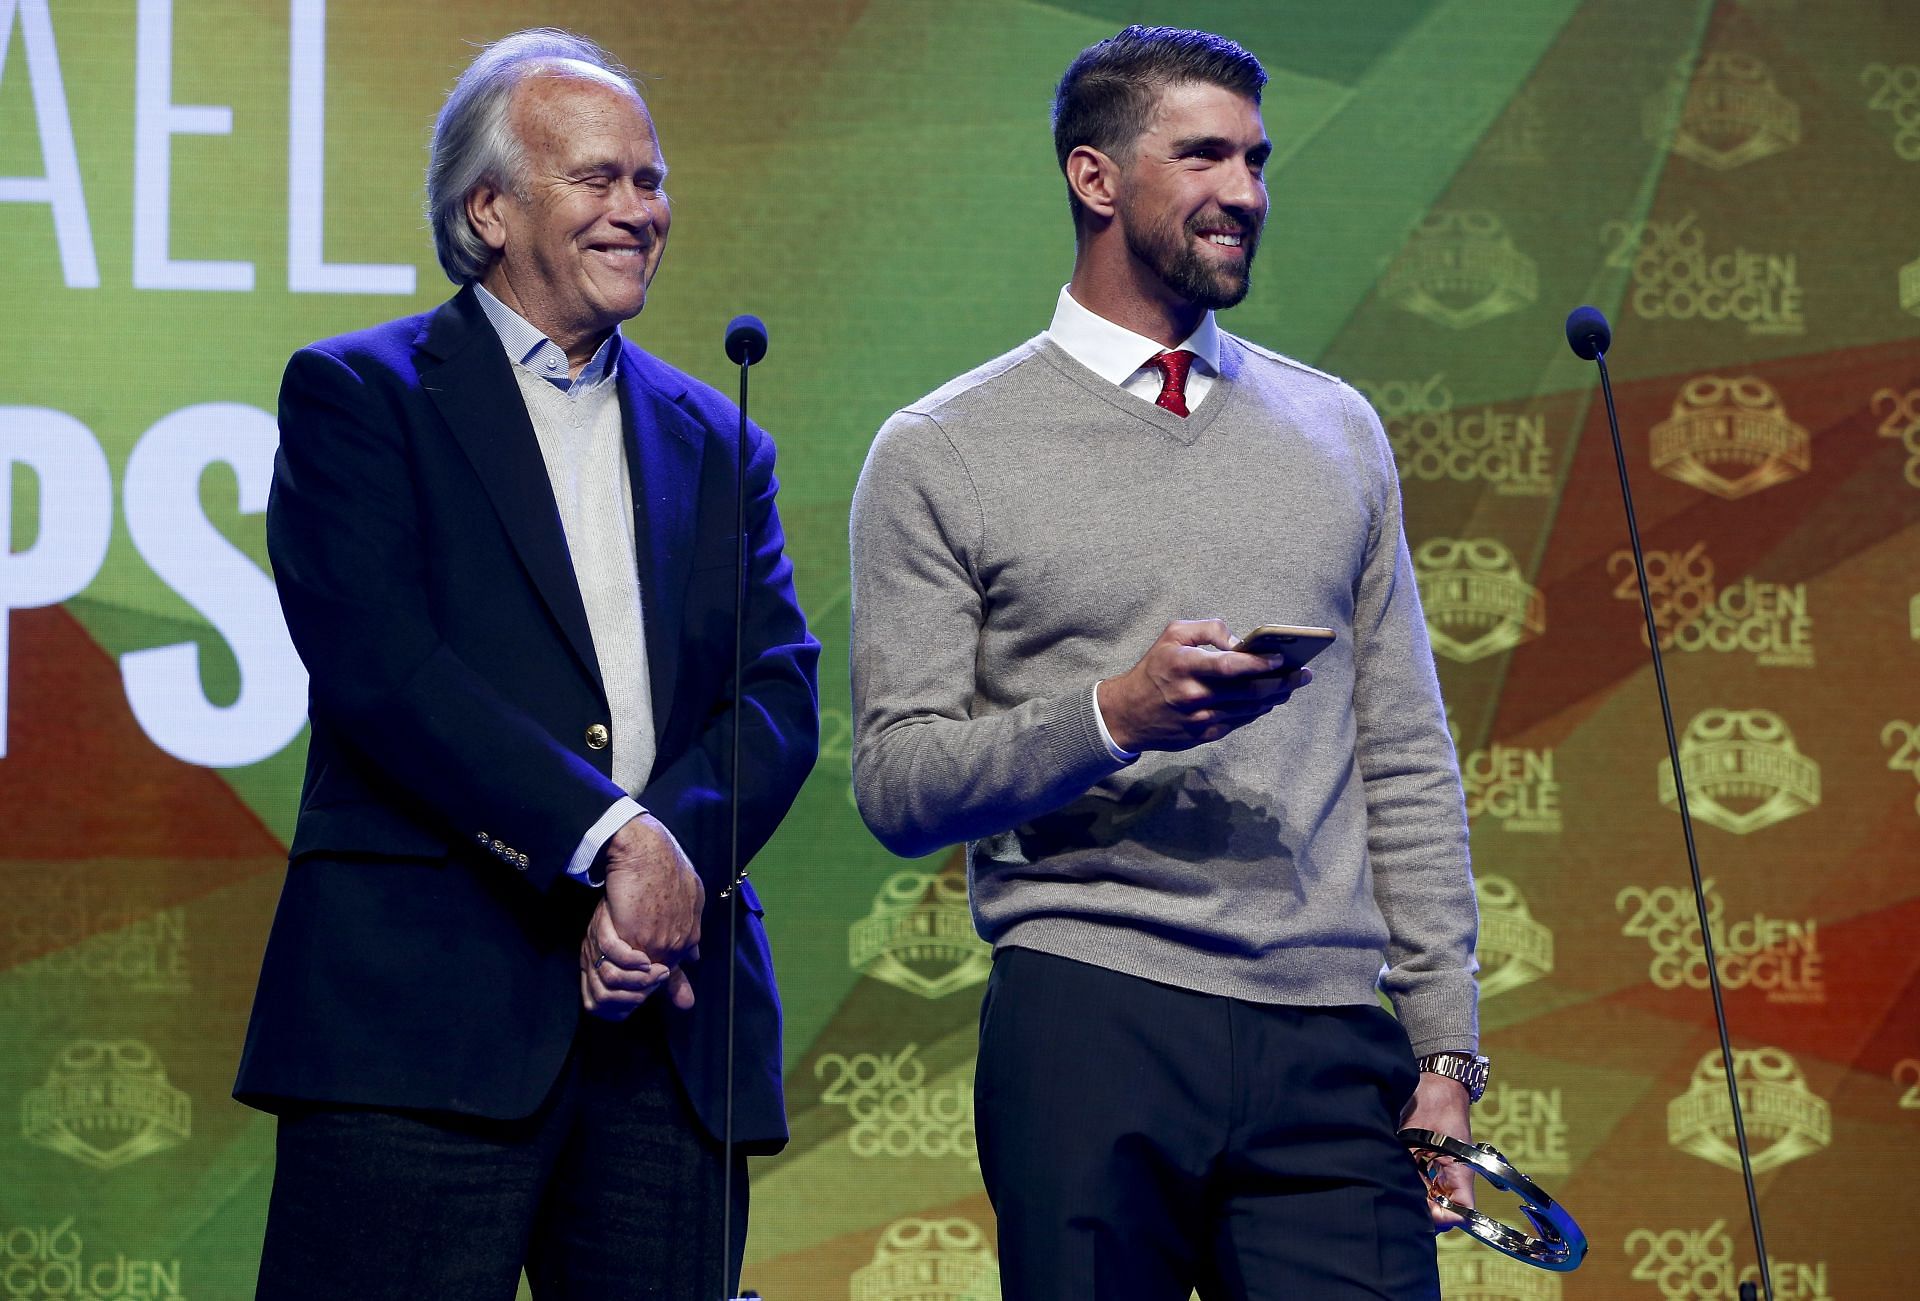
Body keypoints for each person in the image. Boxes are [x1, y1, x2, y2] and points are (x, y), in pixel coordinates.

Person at [849, 25, 1481, 1300]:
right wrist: (1113, 713)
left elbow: (1404, 753)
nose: (1244, 190)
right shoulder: (942, 451)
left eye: (1256, 158)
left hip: (1330, 1044)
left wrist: (1445, 1051)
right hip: (1090, 1012)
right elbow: (899, 782)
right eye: (1203, 154)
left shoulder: (1336, 429)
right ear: (1094, 178)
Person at [233, 28, 819, 1300]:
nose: (640, 211)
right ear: (488, 208)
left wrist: (668, 866)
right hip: (420, 1022)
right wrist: (616, 840)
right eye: (599, 179)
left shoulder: (718, 433)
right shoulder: (360, 396)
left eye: (650, 181)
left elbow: (776, 694)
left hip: (666, 1023)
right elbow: (383, 666)